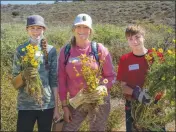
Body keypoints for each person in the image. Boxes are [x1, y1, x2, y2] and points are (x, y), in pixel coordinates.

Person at [58, 13, 116, 131]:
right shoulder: (66, 51)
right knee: (67, 129)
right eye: (78, 27)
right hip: (77, 100)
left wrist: (103, 87)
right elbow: (61, 79)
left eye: (85, 27)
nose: (82, 30)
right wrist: (64, 106)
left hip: (99, 100)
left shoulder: (98, 49)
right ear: (73, 29)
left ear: (90, 30)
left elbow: (111, 76)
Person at [12, 15, 59, 132]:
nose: (35, 31)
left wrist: (57, 109)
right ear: (27, 30)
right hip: (25, 105)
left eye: (39, 28)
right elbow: (14, 83)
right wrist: (24, 75)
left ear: (44, 30)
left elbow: (54, 81)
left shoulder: (51, 50)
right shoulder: (20, 50)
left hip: (47, 105)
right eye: (32, 28)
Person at [116, 24, 165, 131]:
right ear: (127, 41)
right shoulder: (125, 59)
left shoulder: (156, 55)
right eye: (130, 39)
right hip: (133, 105)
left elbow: (164, 81)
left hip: (154, 104)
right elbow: (123, 86)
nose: (134, 41)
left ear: (143, 36)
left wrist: (154, 96)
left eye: (137, 37)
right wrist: (136, 93)